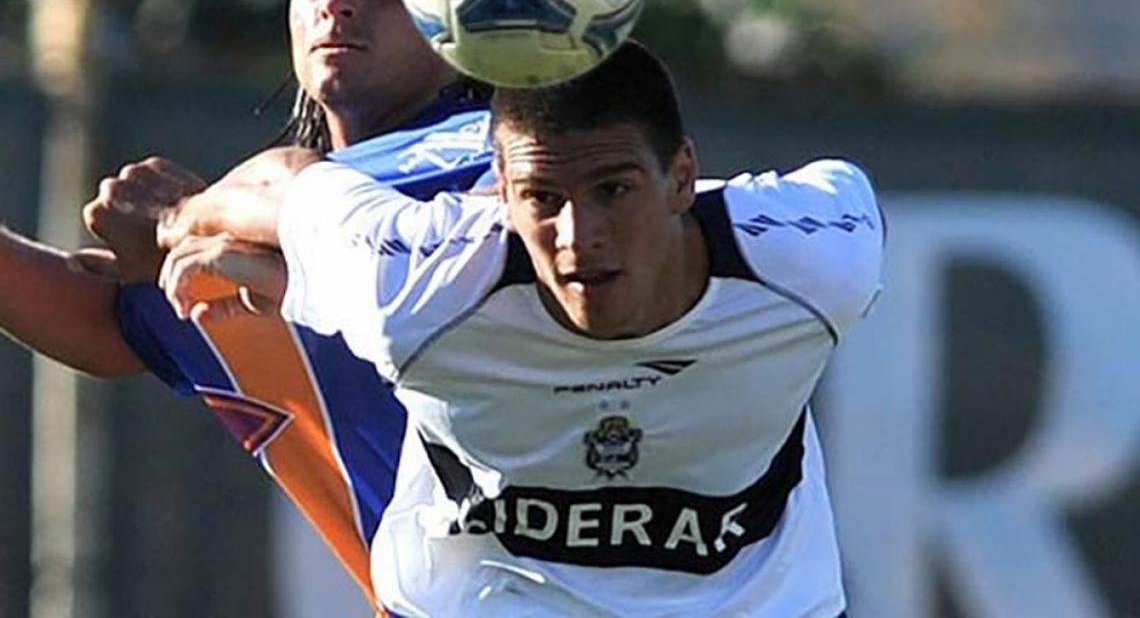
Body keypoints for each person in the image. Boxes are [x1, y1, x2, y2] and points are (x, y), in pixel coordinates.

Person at [159, 40, 884, 617]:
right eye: (543, 197)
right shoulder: (420, 279)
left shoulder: (812, 256)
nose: (579, 235)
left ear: (682, 177)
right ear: (500, 195)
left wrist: (292, 276)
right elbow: (284, 183)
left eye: (614, 190)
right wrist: (180, 218)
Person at [0, 0, 493, 609]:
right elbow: (107, 321)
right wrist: (188, 242)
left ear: (450, 6)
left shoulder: (484, 158)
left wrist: (181, 221)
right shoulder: (272, 213)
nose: (337, 3)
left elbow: (299, 186)